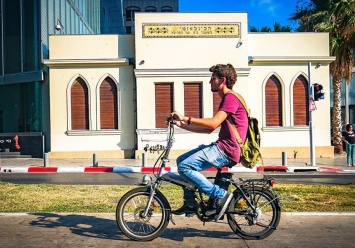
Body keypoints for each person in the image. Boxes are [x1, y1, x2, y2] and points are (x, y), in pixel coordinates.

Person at [170, 63, 248, 215]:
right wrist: (181, 124)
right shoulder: (227, 98)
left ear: (222, 80)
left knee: (185, 167)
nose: (210, 81)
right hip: (223, 146)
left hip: (227, 149)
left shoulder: (230, 98)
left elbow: (213, 122)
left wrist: (186, 117)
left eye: (213, 78)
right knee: (181, 161)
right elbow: (209, 129)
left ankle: (221, 195)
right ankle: (191, 204)